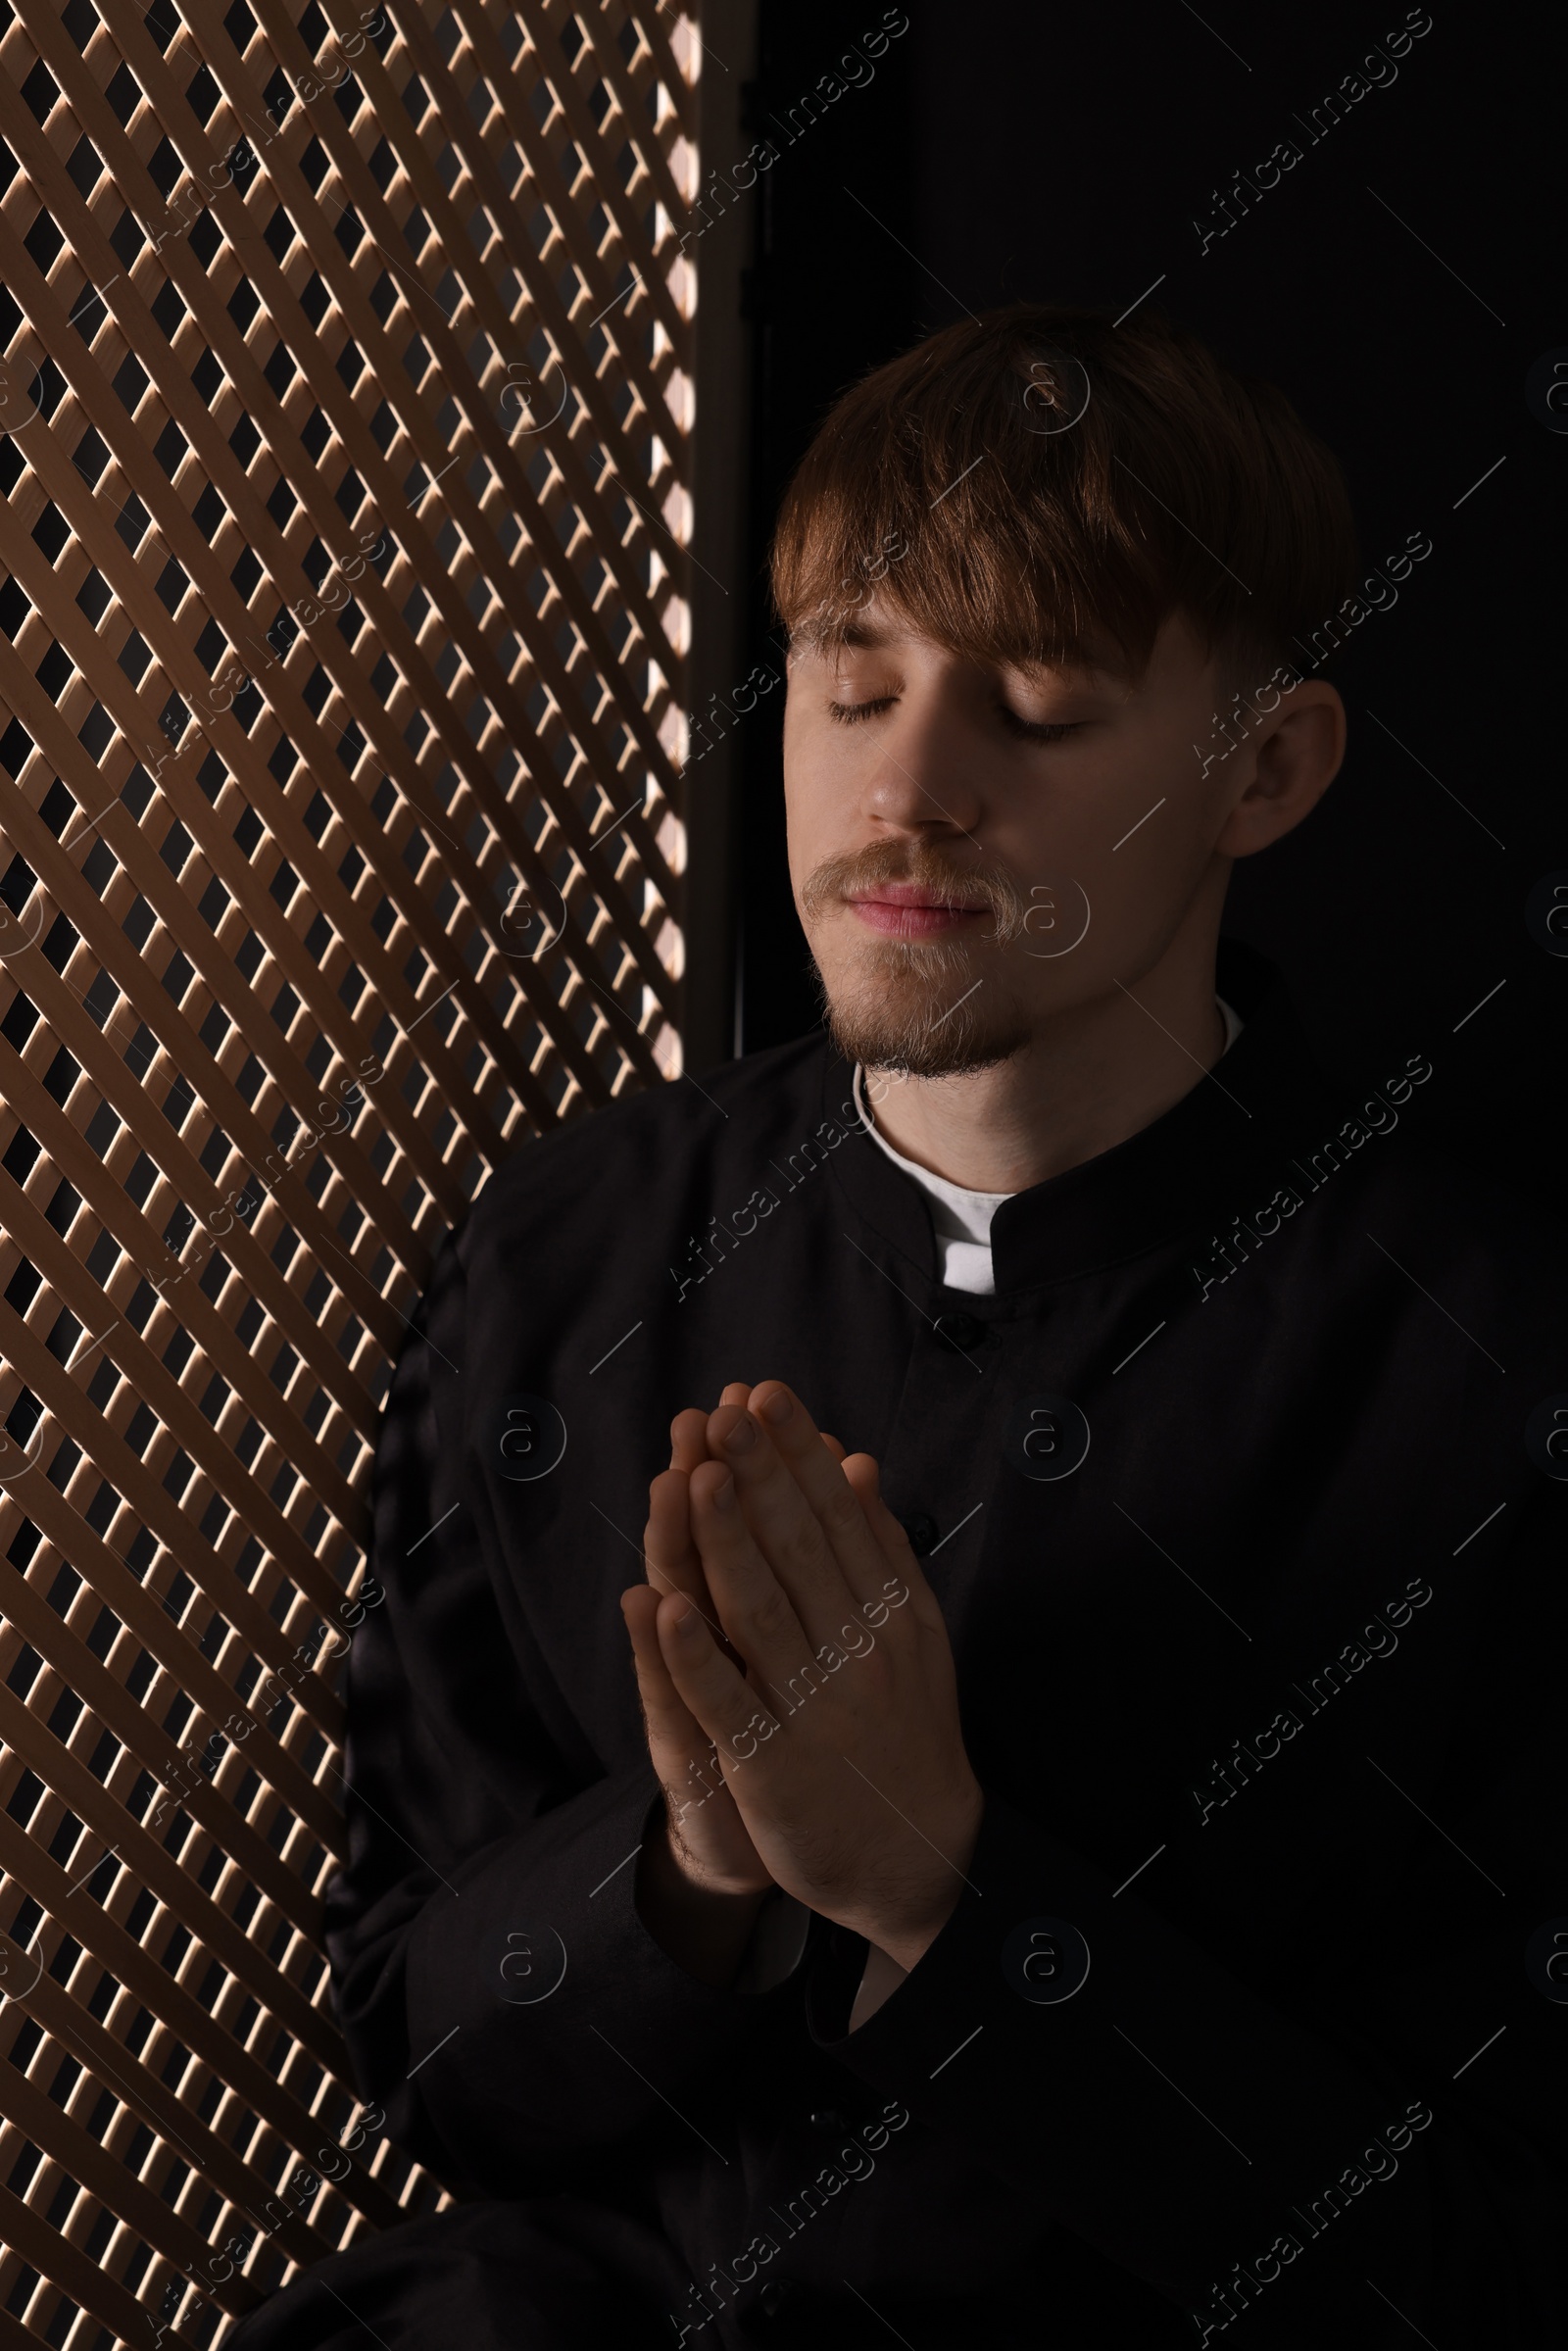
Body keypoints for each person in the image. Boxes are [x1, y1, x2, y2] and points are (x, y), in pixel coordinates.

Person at [228, 305, 1564, 2349]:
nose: (906, 788)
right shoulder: (567, 1253)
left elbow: (1476, 2264)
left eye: (1030, 709)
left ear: (1261, 766)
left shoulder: (1479, 1365)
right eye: (850, 687)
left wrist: (939, 1894)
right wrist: (686, 1861)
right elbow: (425, 2049)